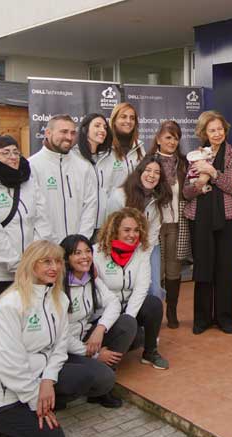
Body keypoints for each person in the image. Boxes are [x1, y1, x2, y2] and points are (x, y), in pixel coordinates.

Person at [0, 240, 115, 437]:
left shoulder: (59, 299)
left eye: (57, 261)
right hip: (3, 392)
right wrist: (35, 398)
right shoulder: (8, 306)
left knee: (91, 376)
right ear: (30, 265)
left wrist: (48, 380)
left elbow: (59, 347)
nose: (54, 267)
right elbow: (11, 366)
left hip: (38, 378)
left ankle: (41, 407)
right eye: (46, 261)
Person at [0, 134, 53, 355]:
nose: (13, 157)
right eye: (5, 152)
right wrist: (18, 264)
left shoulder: (28, 184)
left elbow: (42, 222)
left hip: (26, 273)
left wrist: (37, 261)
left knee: (21, 335)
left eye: (16, 152)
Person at [183, 111, 232, 334]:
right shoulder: (194, 155)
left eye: (220, 129)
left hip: (226, 218)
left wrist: (211, 171)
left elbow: (231, 186)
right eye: (212, 130)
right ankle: (201, 320)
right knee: (202, 269)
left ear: (225, 130)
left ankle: (224, 319)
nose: (217, 133)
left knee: (223, 268)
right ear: (204, 133)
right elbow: (186, 192)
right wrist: (199, 184)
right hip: (199, 217)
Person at [61, 234, 138, 408]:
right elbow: (60, 335)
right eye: (77, 253)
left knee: (128, 324)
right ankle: (62, 395)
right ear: (66, 258)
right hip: (66, 349)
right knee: (104, 378)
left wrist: (100, 329)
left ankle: (102, 390)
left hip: (87, 337)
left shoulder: (91, 279)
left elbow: (113, 302)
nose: (84, 257)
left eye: (88, 251)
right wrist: (95, 354)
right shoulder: (58, 287)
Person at [93, 208, 168, 369]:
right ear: (114, 231)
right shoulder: (96, 253)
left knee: (154, 303)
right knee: (131, 334)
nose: (132, 235)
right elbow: (97, 292)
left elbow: (141, 289)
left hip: (127, 310)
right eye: (126, 230)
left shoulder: (141, 253)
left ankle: (150, 352)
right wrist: (117, 322)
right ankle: (106, 368)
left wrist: (128, 322)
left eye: (136, 230)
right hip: (103, 313)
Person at [141, 120, 190, 327]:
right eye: (168, 137)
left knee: (174, 269)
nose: (172, 141)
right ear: (159, 139)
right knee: (155, 272)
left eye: (176, 138)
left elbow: (187, 192)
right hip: (155, 225)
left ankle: (172, 310)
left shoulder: (184, 163)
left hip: (178, 224)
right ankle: (153, 313)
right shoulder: (149, 162)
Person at [107, 156, 167, 300]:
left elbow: (153, 232)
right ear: (139, 172)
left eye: (157, 172)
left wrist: (143, 258)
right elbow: (111, 228)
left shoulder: (158, 198)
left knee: (154, 290)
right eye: (148, 170)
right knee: (128, 287)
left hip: (148, 247)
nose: (152, 175)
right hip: (121, 247)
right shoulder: (120, 196)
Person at [30, 115, 97, 241]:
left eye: (73, 133)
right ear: (48, 133)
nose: (69, 137)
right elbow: (35, 211)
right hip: (46, 248)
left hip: (77, 249)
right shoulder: (32, 166)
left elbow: (90, 207)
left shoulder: (83, 166)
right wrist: (49, 242)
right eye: (64, 132)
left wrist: (80, 240)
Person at [74, 113, 114, 234]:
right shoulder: (73, 157)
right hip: (79, 228)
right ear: (85, 129)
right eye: (97, 126)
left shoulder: (108, 157)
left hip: (103, 228)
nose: (102, 130)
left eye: (105, 127)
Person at [97, 102, 145, 192]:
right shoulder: (104, 147)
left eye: (132, 118)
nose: (128, 121)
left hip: (135, 204)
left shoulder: (140, 147)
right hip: (111, 205)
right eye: (123, 117)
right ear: (114, 120)